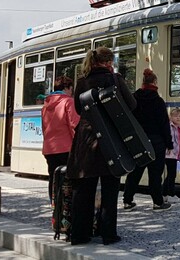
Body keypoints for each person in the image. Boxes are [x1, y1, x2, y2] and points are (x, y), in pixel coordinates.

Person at [66, 47, 136, 245]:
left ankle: (79, 234)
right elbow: (132, 105)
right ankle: (108, 234)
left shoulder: (82, 82)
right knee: (110, 189)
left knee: (83, 190)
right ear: (109, 62)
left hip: (87, 140)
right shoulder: (115, 80)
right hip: (110, 140)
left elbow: (79, 110)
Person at [122, 68, 173, 212]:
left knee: (135, 172)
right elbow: (164, 124)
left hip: (138, 141)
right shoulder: (158, 101)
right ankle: (158, 203)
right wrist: (169, 143)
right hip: (156, 141)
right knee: (155, 173)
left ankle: (127, 200)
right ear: (155, 82)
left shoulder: (134, 98)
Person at [41, 76, 79, 204]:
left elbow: (44, 127)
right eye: (71, 89)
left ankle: (55, 205)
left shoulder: (45, 105)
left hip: (49, 148)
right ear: (66, 88)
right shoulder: (68, 102)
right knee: (68, 179)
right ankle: (66, 207)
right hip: (66, 147)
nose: (71, 92)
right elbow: (74, 125)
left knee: (53, 177)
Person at [162, 108, 180, 203]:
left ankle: (164, 194)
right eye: (176, 116)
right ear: (170, 117)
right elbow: (170, 139)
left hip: (174, 154)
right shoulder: (170, 127)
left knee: (171, 174)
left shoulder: (179, 127)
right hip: (170, 153)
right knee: (172, 174)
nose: (178, 118)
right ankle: (170, 194)